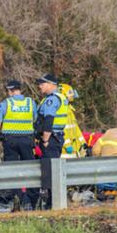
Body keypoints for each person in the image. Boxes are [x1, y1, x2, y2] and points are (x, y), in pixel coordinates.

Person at [0, 79, 36, 211]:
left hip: (10, 141)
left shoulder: (6, 103)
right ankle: (32, 200)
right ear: (20, 89)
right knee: (30, 169)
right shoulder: (31, 102)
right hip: (27, 139)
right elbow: (35, 119)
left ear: (10, 90)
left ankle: (18, 199)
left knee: (13, 170)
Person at [34, 73, 69, 209]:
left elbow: (49, 120)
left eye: (42, 84)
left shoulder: (51, 100)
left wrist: (45, 140)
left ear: (51, 84)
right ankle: (52, 201)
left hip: (51, 138)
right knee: (51, 170)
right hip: (55, 137)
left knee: (50, 171)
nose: (39, 86)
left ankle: (52, 203)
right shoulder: (55, 98)